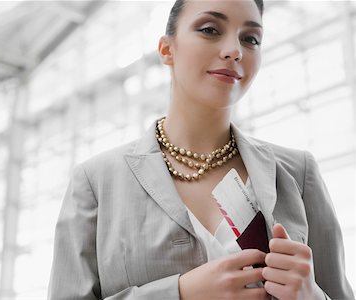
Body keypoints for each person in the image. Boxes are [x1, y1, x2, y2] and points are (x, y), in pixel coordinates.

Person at [47, 0, 354, 299]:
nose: (235, 50)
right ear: (167, 50)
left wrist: (312, 296)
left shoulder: (298, 173)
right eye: (210, 29)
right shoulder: (96, 182)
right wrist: (179, 294)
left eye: (250, 39)